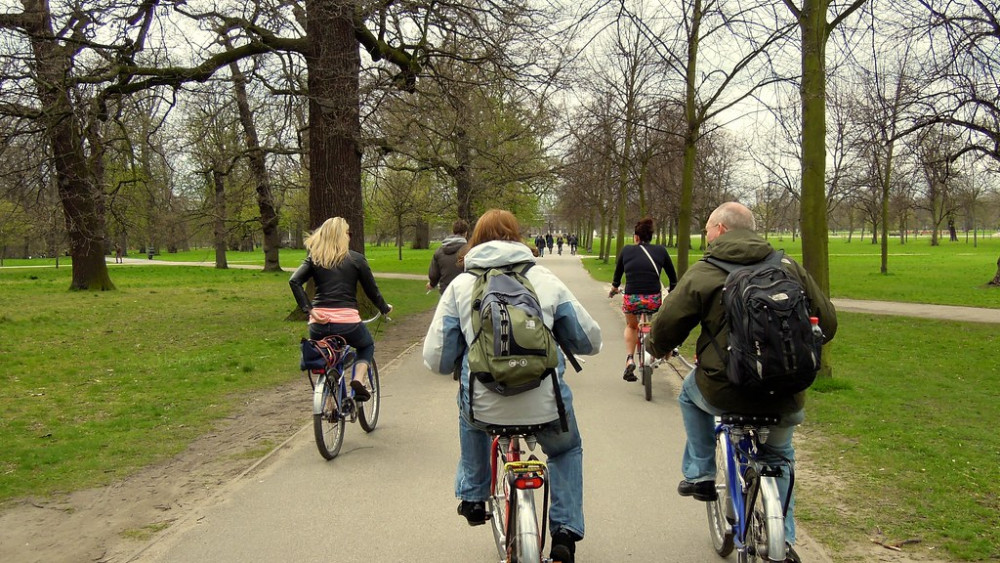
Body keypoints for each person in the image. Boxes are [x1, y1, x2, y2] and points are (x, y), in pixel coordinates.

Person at [645, 202, 837, 563]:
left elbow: (668, 325)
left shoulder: (706, 270)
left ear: (720, 229)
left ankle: (700, 472)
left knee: (688, 395)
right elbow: (827, 321)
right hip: (785, 391)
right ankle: (786, 541)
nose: (705, 235)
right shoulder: (787, 266)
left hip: (725, 389)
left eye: (706, 229)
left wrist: (656, 347)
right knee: (780, 456)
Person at [422, 209, 602, 563]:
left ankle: (474, 496)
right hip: (546, 404)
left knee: (468, 414)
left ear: (476, 240)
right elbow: (589, 341)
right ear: (517, 236)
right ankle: (564, 533)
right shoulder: (545, 279)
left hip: (485, 403)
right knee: (566, 450)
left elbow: (438, 359)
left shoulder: (461, 285)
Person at [289, 217, 393, 402]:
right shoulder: (356, 259)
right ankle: (358, 380)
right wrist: (384, 308)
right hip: (348, 324)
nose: (349, 236)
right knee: (366, 345)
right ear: (341, 236)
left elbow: (294, 281)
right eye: (348, 233)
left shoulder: (315, 259)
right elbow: (372, 290)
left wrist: (310, 310)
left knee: (328, 358)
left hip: (319, 325)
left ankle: (329, 404)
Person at [608, 217, 678, 382]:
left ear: (636, 237)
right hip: (653, 299)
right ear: (651, 236)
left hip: (632, 299)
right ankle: (666, 349)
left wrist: (614, 289)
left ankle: (630, 359)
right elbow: (673, 278)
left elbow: (617, 278)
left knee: (632, 326)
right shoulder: (661, 251)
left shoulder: (626, 251)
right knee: (658, 325)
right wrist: (672, 289)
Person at [427, 219, 469, 294]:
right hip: (465, 290)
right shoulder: (470, 251)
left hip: (446, 291)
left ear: (453, 232)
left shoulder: (439, 251)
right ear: (466, 233)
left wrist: (432, 284)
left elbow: (434, 274)